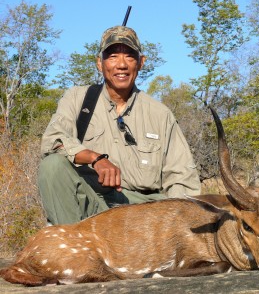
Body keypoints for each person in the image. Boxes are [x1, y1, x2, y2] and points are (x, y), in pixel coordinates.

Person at [38, 26, 201, 225]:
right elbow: (52, 141)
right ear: (100, 63)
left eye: (130, 57)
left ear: (141, 63)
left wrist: (179, 225)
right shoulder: (77, 99)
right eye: (113, 56)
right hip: (92, 204)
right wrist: (94, 158)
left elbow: (182, 180)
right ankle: (70, 247)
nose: (121, 65)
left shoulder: (160, 114)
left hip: (143, 211)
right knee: (52, 165)